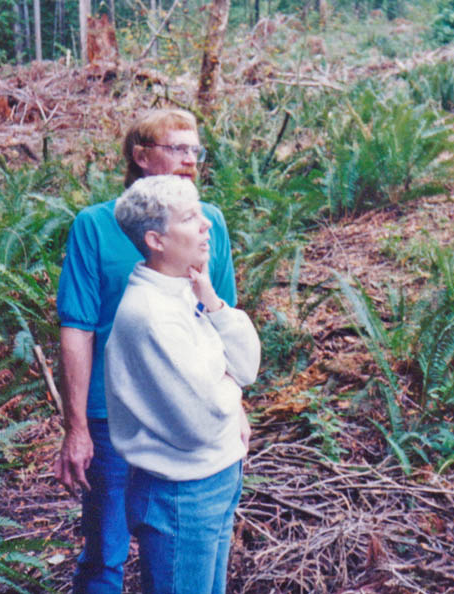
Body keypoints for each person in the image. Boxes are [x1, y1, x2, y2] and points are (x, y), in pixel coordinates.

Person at [55, 108, 239, 594]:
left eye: (195, 150)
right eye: (177, 149)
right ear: (140, 156)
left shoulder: (207, 223)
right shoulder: (95, 226)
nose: (190, 160)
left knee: (185, 550)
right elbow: (77, 327)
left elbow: (222, 318)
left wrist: (236, 404)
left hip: (186, 411)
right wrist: (75, 426)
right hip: (111, 415)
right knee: (105, 556)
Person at [106, 175, 260, 594]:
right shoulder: (151, 315)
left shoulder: (187, 290)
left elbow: (247, 365)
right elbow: (200, 422)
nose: (207, 223)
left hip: (218, 475)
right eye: (191, 217)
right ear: (156, 239)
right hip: (181, 494)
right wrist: (231, 388)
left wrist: (212, 300)